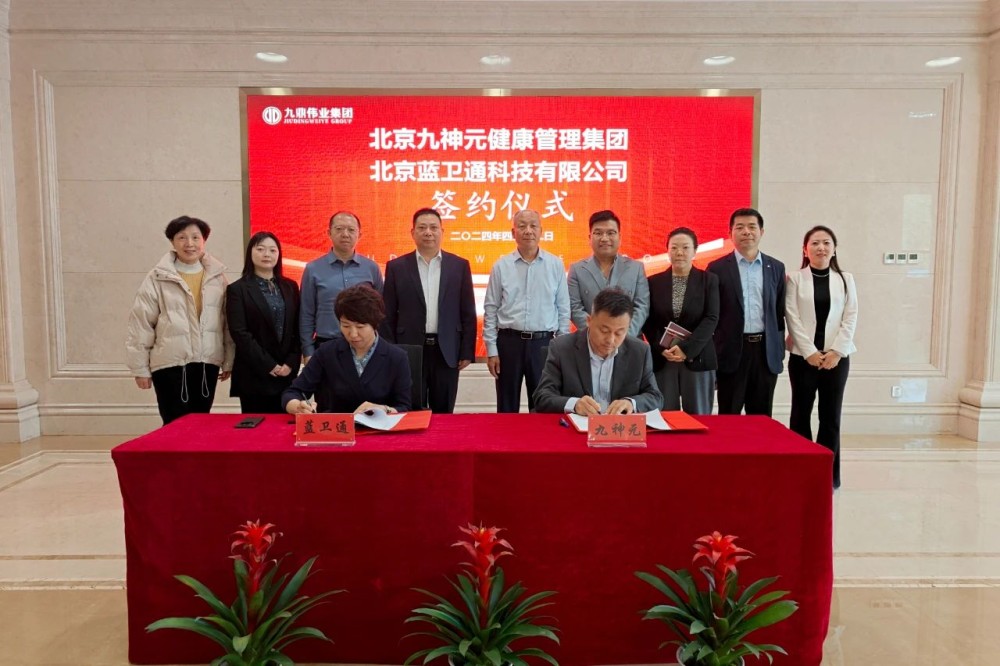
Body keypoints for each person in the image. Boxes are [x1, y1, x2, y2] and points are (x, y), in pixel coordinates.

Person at [126, 215, 234, 425]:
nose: (189, 243)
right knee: (174, 425)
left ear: (204, 240)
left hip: (206, 363)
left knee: (200, 424)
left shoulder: (217, 277)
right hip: (170, 365)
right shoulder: (158, 277)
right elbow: (141, 324)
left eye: (195, 237)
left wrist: (229, 360)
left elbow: (226, 323)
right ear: (172, 242)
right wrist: (140, 369)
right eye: (182, 237)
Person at [381, 208, 477, 413]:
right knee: (410, 408)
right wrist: (390, 350)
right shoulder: (396, 267)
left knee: (444, 410)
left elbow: (468, 312)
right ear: (413, 233)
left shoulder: (459, 266)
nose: (428, 232)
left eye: (434, 228)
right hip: (408, 349)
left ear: (442, 231)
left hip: (447, 350)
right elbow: (387, 315)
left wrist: (466, 351)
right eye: (422, 228)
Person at [786, 226, 858, 489]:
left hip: (836, 360)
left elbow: (851, 315)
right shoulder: (795, 278)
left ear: (834, 249)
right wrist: (810, 352)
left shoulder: (846, 279)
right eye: (814, 243)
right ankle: (800, 474)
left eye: (826, 243)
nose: (821, 247)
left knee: (830, 418)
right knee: (800, 416)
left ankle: (828, 477)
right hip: (803, 359)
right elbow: (791, 316)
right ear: (805, 250)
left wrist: (837, 351)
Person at [483, 209, 571, 413]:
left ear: (541, 231)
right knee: (506, 406)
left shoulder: (555, 265)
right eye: (522, 226)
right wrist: (492, 350)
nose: (528, 231)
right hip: (508, 342)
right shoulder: (501, 266)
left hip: (544, 344)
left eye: (533, 226)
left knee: (543, 404)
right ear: (513, 233)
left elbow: (563, 309)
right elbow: (491, 309)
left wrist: (561, 349)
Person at [283, 284, 411, 415]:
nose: (353, 334)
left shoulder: (397, 357)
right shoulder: (326, 352)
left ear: (375, 324)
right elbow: (293, 392)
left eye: (360, 327)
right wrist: (297, 406)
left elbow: (404, 406)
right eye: (345, 326)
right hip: (334, 426)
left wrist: (385, 409)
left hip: (379, 427)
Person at [707, 207, 786, 416]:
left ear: (762, 232)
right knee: (729, 416)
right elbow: (712, 314)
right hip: (731, 352)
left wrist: (778, 351)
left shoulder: (776, 267)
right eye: (740, 227)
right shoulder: (716, 268)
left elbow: (779, 314)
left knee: (762, 419)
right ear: (730, 233)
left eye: (752, 227)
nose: (746, 232)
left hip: (765, 353)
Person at [534, 288, 662, 415]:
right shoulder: (561, 348)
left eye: (619, 333)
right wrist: (574, 404)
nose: (610, 340)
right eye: (604, 331)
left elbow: (656, 397)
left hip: (619, 426)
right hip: (577, 425)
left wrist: (631, 403)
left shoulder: (639, 351)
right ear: (589, 321)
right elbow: (542, 397)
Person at [642, 227, 719, 415]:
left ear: (695, 251)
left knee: (699, 417)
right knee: (665, 417)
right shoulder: (653, 282)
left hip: (697, 356)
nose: (679, 252)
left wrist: (686, 349)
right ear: (667, 250)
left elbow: (711, 318)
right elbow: (648, 320)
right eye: (674, 247)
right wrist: (661, 348)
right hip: (664, 357)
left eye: (685, 247)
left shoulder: (709, 280)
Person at [225, 232, 301, 414]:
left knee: (286, 427)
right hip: (254, 374)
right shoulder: (237, 289)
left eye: (272, 250)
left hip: (286, 373)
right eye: (260, 249)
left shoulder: (291, 286)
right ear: (250, 253)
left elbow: (298, 327)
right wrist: (269, 365)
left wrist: (291, 362)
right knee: (257, 428)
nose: (267, 254)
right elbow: (239, 332)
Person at [299, 211, 383, 361]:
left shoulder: (371, 268)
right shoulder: (313, 269)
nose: (345, 234)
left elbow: (380, 311)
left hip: (365, 346)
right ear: (329, 233)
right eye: (339, 229)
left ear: (359, 235)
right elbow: (306, 313)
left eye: (351, 230)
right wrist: (308, 351)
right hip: (327, 344)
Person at [567, 209, 649, 337]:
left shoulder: (636, 268)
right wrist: (598, 335)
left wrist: (622, 335)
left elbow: (642, 307)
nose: (604, 238)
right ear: (590, 238)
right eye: (598, 233)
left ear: (619, 237)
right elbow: (574, 308)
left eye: (611, 233)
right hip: (591, 341)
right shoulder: (576, 270)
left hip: (630, 341)